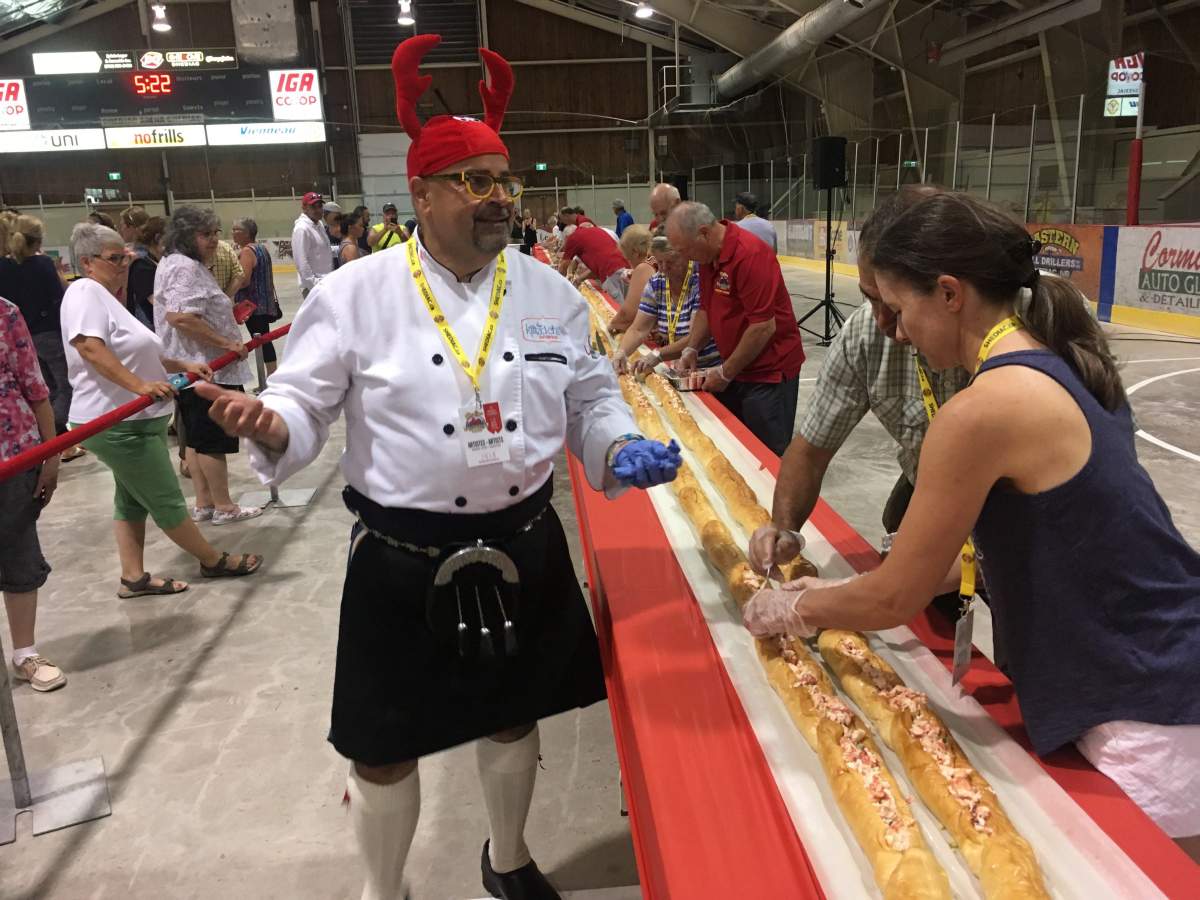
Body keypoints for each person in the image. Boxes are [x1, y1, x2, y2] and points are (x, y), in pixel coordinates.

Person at [196, 34, 681, 900]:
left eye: (506, 180)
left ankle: (507, 857)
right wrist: (270, 424)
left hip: (524, 538)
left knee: (513, 719)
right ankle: (386, 891)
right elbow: (303, 411)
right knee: (382, 748)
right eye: (477, 182)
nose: (500, 198)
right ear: (422, 192)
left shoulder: (548, 292)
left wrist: (615, 445)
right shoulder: (354, 293)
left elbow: (590, 399)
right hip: (401, 554)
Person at [740, 191, 1200, 862]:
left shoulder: (983, 408)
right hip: (1149, 671)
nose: (893, 331)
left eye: (897, 310)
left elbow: (894, 595)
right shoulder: (1049, 354)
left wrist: (792, 607)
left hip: (1144, 699)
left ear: (950, 293)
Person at [748, 185, 969, 581]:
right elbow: (810, 450)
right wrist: (784, 528)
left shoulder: (1023, 342)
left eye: (896, 305)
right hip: (927, 485)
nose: (887, 324)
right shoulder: (865, 334)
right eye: (870, 298)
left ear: (949, 292)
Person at [60, 223, 263, 596]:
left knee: (131, 500)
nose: (124, 264)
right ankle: (212, 559)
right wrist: (140, 386)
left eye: (127, 256)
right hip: (119, 421)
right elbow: (89, 347)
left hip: (138, 419)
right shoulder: (84, 292)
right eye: (115, 258)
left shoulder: (106, 297)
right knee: (166, 498)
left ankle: (133, 577)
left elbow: (138, 353)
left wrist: (179, 365)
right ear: (88, 263)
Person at [669, 202, 805, 456]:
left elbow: (763, 327)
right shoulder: (707, 259)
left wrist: (725, 372)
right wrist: (691, 348)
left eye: (685, 249)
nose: (685, 257)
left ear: (704, 233)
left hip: (769, 373)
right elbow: (707, 310)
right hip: (739, 368)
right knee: (738, 448)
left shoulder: (749, 254)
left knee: (766, 455)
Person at [155, 207, 262, 525]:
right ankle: (225, 506)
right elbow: (181, 317)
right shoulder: (185, 268)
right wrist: (227, 342)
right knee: (211, 440)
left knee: (198, 440)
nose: (215, 240)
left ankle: (205, 503)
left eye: (216, 233)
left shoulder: (176, 264)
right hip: (205, 367)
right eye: (206, 235)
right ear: (187, 237)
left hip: (195, 366)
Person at [0, 297, 65, 692]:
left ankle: (25, 652)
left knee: (20, 552)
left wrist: (51, 454)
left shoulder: (5, 312)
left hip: (13, 453)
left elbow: (35, 387)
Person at [0, 214, 78, 459]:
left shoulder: (6, 268)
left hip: (24, 338)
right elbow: (60, 297)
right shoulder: (43, 264)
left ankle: (59, 442)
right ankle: (56, 436)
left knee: (47, 389)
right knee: (64, 387)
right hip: (48, 334)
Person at [612, 233, 720, 376]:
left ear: (685, 255)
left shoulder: (699, 280)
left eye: (670, 262)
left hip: (707, 368)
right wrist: (622, 352)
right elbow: (638, 329)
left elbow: (695, 337)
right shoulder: (657, 283)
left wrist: (657, 355)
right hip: (678, 367)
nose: (663, 269)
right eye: (659, 262)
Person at [232, 217, 281, 378]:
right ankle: (272, 374)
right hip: (264, 303)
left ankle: (270, 377)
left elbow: (244, 281)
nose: (233, 233)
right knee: (265, 340)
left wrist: (228, 289)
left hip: (252, 306)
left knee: (261, 341)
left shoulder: (247, 251)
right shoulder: (261, 248)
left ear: (246, 233)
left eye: (236, 230)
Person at [557, 220, 627, 303]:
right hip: (625, 266)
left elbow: (563, 268)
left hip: (610, 271)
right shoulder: (593, 232)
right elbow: (596, 263)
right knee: (628, 301)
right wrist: (579, 279)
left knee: (615, 305)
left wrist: (560, 286)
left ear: (567, 237)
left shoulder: (573, 238)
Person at [607, 224, 656, 334]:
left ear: (635, 252)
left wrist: (610, 327)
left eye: (628, 258)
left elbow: (628, 314)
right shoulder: (655, 260)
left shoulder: (643, 268)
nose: (629, 262)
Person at [126, 216, 167, 331]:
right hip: (149, 331)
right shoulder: (142, 267)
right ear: (158, 238)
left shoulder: (155, 262)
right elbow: (159, 305)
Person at [292, 191, 332, 298]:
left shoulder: (319, 224)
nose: (319, 210)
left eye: (320, 206)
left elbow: (323, 250)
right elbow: (301, 262)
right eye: (314, 207)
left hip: (326, 283)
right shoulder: (302, 229)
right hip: (314, 288)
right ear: (304, 208)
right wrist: (314, 285)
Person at [208, 235, 245, 299]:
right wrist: (224, 298)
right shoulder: (226, 247)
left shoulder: (246, 250)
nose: (232, 233)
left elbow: (241, 277)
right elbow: (239, 275)